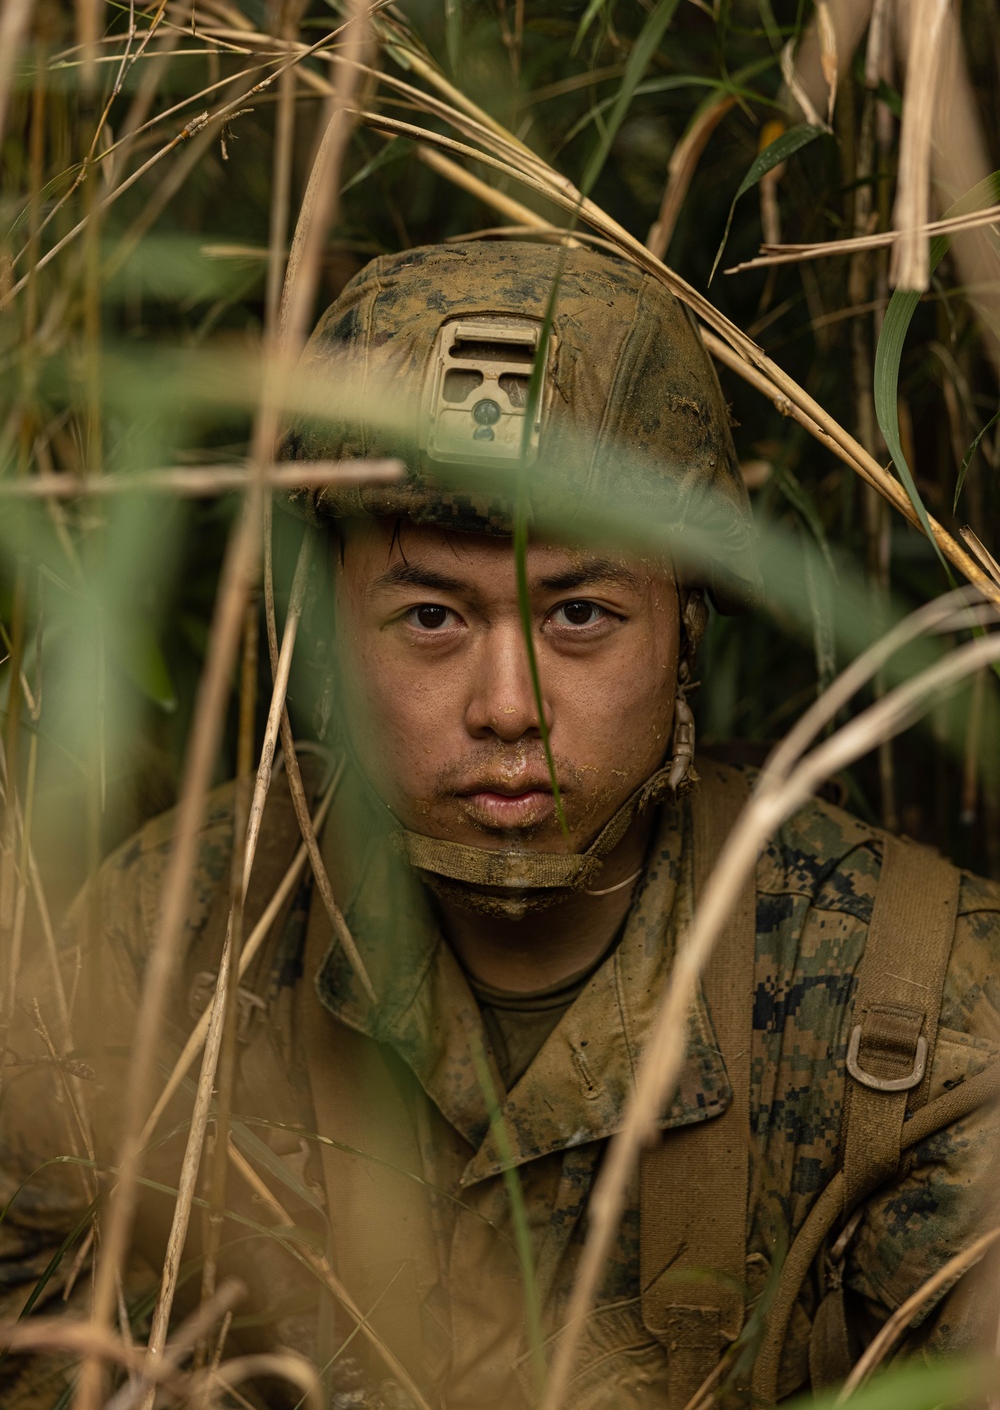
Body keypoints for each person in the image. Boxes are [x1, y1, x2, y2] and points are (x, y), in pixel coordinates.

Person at [2, 241, 999, 1410]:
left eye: (580, 612)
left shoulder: (914, 1005)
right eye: (430, 614)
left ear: (687, 624)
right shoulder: (171, 940)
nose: (507, 706)